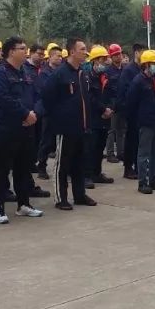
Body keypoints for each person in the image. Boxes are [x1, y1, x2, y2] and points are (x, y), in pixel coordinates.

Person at [0, 36, 45, 223]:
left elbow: (38, 95)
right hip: (6, 128)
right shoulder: (0, 73)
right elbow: (2, 98)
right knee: (2, 169)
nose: (25, 51)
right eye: (22, 48)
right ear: (11, 51)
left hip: (27, 128)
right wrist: (24, 114)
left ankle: (24, 204)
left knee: (23, 168)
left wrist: (35, 113)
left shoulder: (27, 72)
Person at [41, 38, 96, 210]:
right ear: (72, 51)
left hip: (81, 126)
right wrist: (59, 118)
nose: (85, 52)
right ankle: (61, 198)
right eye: (82, 49)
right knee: (62, 165)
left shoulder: (82, 73)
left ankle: (79, 195)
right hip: (65, 128)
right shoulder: (60, 74)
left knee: (79, 163)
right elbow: (47, 97)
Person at [126, 49, 155, 194]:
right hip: (145, 122)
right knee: (144, 153)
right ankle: (143, 182)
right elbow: (131, 103)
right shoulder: (138, 81)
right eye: (154, 64)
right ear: (146, 64)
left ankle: (153, 179)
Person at [83, 45, 115, 189]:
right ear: (94, 60)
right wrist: (103, 109)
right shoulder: (87, 77)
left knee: (100, 147)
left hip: (105, 117)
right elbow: (89, 97)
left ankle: (97, 173)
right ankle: (86, 175)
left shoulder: (105, 76)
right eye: (102, 59)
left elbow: (112, 93)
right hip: (93, 117)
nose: (105, 62)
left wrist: (111, 108)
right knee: (90, 147)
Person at [35, 42, 63, 179]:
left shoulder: (62, 72)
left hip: (61, 112)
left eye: (61, 56)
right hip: (48, 112)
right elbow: (44, 92)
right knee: (46, 141)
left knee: (60, 142)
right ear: (50, 57)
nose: (60, 58)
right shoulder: (44, 73)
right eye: (57, 56)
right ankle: (41, 166)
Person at [119, 43, 147, 180]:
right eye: (143, 52)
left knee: (141, 141)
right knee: (131, 140)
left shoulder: (143, 68)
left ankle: (138, 166)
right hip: (132, 112)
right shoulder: (129, 70)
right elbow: (124, 92)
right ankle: (128, 168)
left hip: (143, 111)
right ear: (136, 53)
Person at [103, 43, 126, 163]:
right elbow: (106, 90)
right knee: (111, 131)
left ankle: (121, 153)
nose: (118, 56)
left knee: (121, 130)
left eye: (119, 54)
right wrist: (108, 105)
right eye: (115, 55)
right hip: (112, 104)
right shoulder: (108, 71)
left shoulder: (125, 70)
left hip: (122, 104)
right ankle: (110, 153)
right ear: (111, 57)